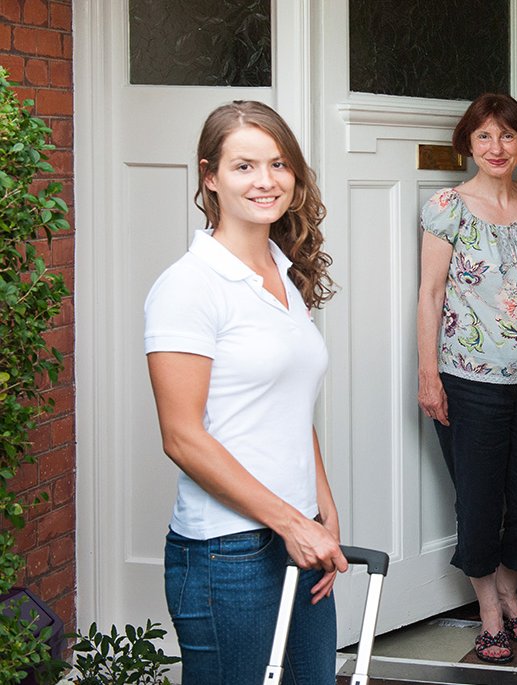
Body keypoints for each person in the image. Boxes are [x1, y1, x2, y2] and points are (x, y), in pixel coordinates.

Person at [144, 100, 347, 685]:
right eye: (244, 166)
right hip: (226, 555)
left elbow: (287, 403)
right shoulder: (189, 286)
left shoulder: (283, 274)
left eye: (279, 164)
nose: (266, 181)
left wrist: (320, 505)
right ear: (210, 176)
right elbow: (182, 438)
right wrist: (292, 521)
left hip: (298, 534)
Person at [416, 93, 517, 664]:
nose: (496, 147)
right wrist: (429, 374)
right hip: (465, 379)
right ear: (468, 144)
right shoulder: (447, 207)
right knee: (479, 502)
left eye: (507, 136)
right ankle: (490, 610)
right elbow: (430, 294)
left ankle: (509, 582)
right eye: (484, 137)